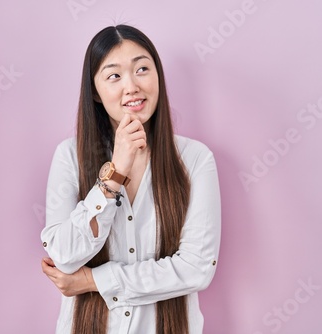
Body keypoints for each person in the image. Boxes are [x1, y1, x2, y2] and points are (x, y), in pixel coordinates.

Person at [40, 24, 221, 334]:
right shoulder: (69, 156)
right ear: (95, 93)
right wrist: (115, 173)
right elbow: (65, 256)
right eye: (114, 75)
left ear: (158, 77)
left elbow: (196, 269)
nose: (132, 86)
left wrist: (93, 280)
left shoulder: (194, 159)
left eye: (142, 69)